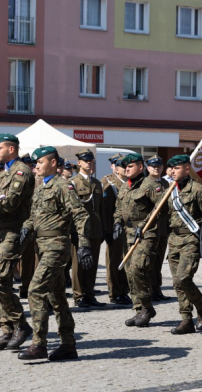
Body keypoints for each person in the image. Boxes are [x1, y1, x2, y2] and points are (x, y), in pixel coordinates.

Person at [17, 147, 91, 361]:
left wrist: (84, 244)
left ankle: (39, 344)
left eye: (40, 162)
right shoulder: (41, 187)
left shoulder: (63, 186)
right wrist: (26, 227)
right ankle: (68, 345)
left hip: (57, 246)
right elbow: (34, 215)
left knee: (35, 290)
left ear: (53, 163)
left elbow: (80, 214)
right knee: (56, 297)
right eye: (35, 163)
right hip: (42, 245)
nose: (36, 166)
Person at [0, 134, 35, 352]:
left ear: (11, 149)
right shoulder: (5, 173)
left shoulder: (21, 172)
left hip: (13, 231)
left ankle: (21, 324)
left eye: (0, 147)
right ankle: (7, 329)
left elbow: (10, 203)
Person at [162, 155, 202, 335]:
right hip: (173, 241)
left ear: (186, 169)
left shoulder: (198, 190)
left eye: (176, 168)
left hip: (190, 240)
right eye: (171, 169)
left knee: (182, 278)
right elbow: (158, 212)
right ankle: (186, 320)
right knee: (177, 284)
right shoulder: (170, 191)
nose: (172, 171)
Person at [112, 153, 164, 327]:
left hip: (146, 233)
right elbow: (118, 208)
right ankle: (138, 309)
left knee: (138, 269)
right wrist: (118, 222)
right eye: (124, 167)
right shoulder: (125, 187)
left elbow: (160, 207)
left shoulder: (150, 185)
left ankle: (147, 307)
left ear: (140, 167)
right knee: (129, 272)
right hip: (128, 234)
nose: (126, 169)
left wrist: (143, 224)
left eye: (130, 166)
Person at [69, 149, 105, 308]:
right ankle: (79, 295)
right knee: (79, 265)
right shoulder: (73, 183)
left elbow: (100, 208)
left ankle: (90, 293)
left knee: (93, 263)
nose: (90, 163)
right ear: (79, 163)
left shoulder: (97, 183)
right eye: (86, 161)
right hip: (80, 230)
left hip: (95, 229)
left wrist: (103, 229)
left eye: (91, 161)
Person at [101, 153, 131, 306]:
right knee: (114, 262)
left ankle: (124, 290)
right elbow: (105, 210)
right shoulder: (109, 184)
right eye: (122, 166)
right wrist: (107, 230)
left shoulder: (129, 183)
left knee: (126, 261)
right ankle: (115, 292)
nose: (126, 169)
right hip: (115, 229)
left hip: (128, 230)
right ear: (115, 168)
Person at [146, 155, 171, 302]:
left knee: (159, 261)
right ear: (148, 168)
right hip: (150, 229)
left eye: (159, 166)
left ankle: (156, 289)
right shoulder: (145, 183)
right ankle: (148, 290)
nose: (156, 168)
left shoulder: (166, 184)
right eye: (153, 166)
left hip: (163, 229)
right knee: (149, 262)